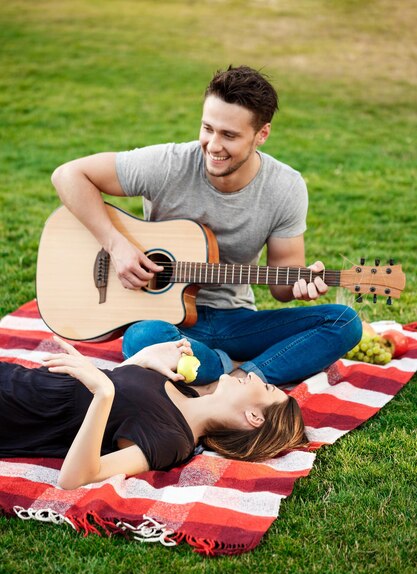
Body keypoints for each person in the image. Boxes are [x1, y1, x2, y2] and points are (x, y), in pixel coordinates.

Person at [51, 65, 362, 386]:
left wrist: (301, 287)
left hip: (235, 321)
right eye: (207, 128)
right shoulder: (169, 163)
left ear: (262, 134)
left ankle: (240, 376)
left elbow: (281, 287)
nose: (213, 145)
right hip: (161, 320)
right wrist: (115, 244)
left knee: (344, 321)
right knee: (143, 338)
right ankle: (237, 368)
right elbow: (68, 175)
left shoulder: (286, 187)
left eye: (229, 135)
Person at [0, 337, 307, 490]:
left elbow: (76, 478)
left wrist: (103, 392)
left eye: (265, 388)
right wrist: (141, 359)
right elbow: (121, 397)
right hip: (15, 378)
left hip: (12, 411)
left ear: (255, 418)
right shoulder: (182, 387)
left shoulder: (172, 441)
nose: (254, 376)